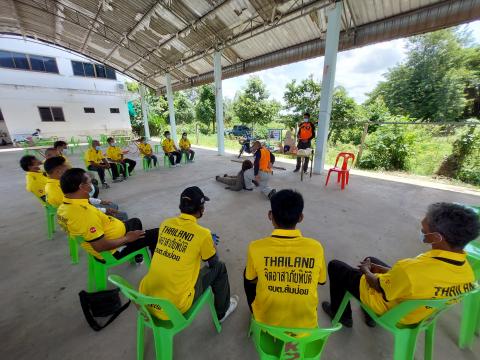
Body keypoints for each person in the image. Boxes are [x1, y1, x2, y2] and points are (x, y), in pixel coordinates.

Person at [322, 202, 479, 328]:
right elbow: (412, 280)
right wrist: (382, 270)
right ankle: (369, 318)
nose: (422, 233)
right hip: (420, 315)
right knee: (372, 259)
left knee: (336, 267)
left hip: (394, 313)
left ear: (437, 237)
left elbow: (378, 285)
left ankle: (343, 316)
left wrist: (366, 271)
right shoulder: (468, 275)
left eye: (425, 231)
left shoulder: (410, 269)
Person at [139, 186, 238, 323]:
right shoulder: (203, 234)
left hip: (146, 300)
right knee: (220, 268)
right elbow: (212, 263)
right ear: (201, 209)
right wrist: (211, 245)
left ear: (181, 206)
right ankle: (222, 312)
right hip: (174, 307)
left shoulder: (165, 224)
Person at [244, 189, 327, 328]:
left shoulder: (255, 247)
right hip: (305, 328)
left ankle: (255, 312)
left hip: (266, 324)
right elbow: (321, 281)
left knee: (248, 274)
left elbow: (251, 279)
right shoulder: (316, 248)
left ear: (270, 215)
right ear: (300, 217)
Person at [57, 168, 159, 263]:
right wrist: (127, 238)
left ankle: (137, 254)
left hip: (109, 234)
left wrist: (105, 213)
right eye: (89, 182)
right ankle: (156, 272)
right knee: (158, 234)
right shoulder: (84, 214)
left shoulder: (64, 207)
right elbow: (100, 246)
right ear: (81, 187)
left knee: (135, 222)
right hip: (111, 252)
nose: (92, 185)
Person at [43, 157, 128, 221]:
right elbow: (81, 209)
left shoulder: (58, 182)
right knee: (122, 214)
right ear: (58, 171)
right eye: (67, 168)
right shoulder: (55, 189)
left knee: (113, 206)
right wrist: (105, 210)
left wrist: (100, 201)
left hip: (83, 208)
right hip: (83, 216)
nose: (69, 169)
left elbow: (78, 199)